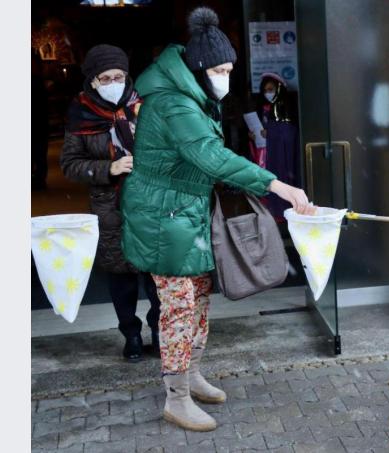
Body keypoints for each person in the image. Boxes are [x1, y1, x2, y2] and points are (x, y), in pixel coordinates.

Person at [120, 7, 314, 432]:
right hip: (162, 214)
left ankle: (191, 375)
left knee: (202, 295)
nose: (227, 76)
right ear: (202, 67)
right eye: (223, 69)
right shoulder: (173, 103)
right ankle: (177, 397)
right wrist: (276, 185)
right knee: (177, 306)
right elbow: (209, 156)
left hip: (186, 210)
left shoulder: (192, 95)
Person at [60, 44, 162, 363]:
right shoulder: (80, 114)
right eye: (106, 78)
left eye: (120, 76)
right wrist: (108, 168)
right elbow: (69, 163)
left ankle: (160, 333)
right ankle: (131, 335)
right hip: (109, 207)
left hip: (148, 204)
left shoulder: (144, 106)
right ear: (92, 81)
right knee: (121, 282)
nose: (115, 82)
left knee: (157, 277)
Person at [246, 72, 300, 221]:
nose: (267, 93)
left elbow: (290, 131)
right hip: (263, 152)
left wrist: (271, 132)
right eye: (265, 90)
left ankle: (281, 211)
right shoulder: (261, 107)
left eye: (271, 90)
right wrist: (252, 135)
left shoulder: (285, 106)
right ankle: (268, 211)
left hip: (277, 153)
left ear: (278, 89)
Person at [32, 50, 49, 191]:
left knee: (38, 154)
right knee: (38, 154)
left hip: (38, 124)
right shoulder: (37, 81)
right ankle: (38, 179)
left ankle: (39, 180)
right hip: (39, 123)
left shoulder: (36, 81)